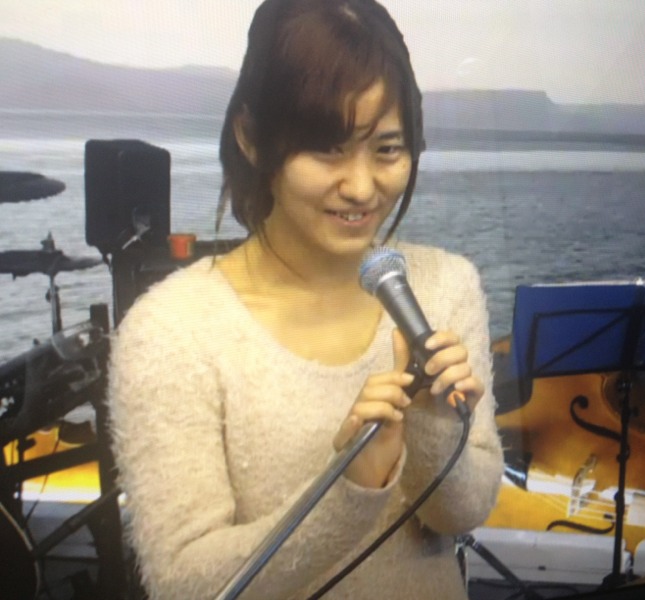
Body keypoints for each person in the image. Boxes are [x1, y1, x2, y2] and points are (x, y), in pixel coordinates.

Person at [108, 0, 504, 598]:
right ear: (251, 138)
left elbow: (463, 512)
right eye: (327, 149)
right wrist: (352, 487)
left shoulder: (444, 286)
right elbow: (185, 584)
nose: (362, 187)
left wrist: (433, 424)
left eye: (387, 149)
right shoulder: (171, 331)